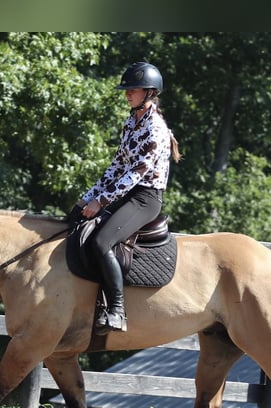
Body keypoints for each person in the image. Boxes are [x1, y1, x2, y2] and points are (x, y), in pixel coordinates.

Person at [69, 61, 181, 335]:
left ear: (150, 92)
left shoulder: (155, 129)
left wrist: (101, 202)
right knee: (73, 222)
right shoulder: (132, 122)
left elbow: (135, 174)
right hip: (124, 195)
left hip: (145, 199)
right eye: (127, 89)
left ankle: (117, 310)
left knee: (102, 241)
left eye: (133, 89)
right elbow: (116, 168)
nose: (127, 94)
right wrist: (87, 199)